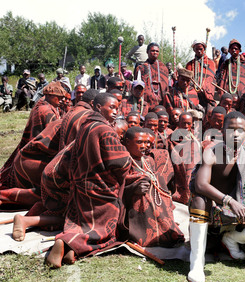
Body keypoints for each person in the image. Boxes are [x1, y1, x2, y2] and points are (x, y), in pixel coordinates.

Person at [187, 111, 245, 282]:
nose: (236, 134)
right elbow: (200, 185)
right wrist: (229, 201)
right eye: (231, 129)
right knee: (199, 199)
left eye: (241, 130)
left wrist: (240, 206)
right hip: (212, 214)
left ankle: (232, 239)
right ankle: (196, 264)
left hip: (237, 213)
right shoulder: (212, 152)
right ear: (222, 131)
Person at [46, 92, 132, 268]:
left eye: (117, 108)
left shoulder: (86, 126)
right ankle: (64, 242)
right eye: (111, 107)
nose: (115, 112)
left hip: (81, 185)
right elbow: (121, 162)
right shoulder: (105, 130)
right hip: (101, 188)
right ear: (99, 107)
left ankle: (71, 250)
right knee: (101, 229)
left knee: (83, 223)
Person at [122, 126, 185, 247]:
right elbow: (116, 188)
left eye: (146, 142)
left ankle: (164, 226)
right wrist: (133, 188)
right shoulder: (123, 161)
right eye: (139, 142)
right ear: (127, 142)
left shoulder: (147, 160)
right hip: (131, 206)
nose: (144, 146)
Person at [0, 82, 66, 195]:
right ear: (49, 95)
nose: (61, 100)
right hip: (38, 152)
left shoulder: (43, 106)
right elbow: (53, 134)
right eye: (58, 97)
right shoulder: (46, 111)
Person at [134, 42, 169, 111]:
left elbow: (166, 86)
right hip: (146, 102)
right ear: (147, 52)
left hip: (161, 101)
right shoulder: (141, 68)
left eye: (157, 51)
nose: (155, 53)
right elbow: (137, 87)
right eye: (152, 51)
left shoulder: (163, 68)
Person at [186, 40, 217, 111]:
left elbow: (212, 79)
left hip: (207, 95)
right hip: (194, 94)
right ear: (194, 50)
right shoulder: (190, 64)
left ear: (204, 49)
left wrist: (205, 87)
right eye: (197, 49)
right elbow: (188, 80)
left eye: (201, 49)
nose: (199, 51)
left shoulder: (211, 63)